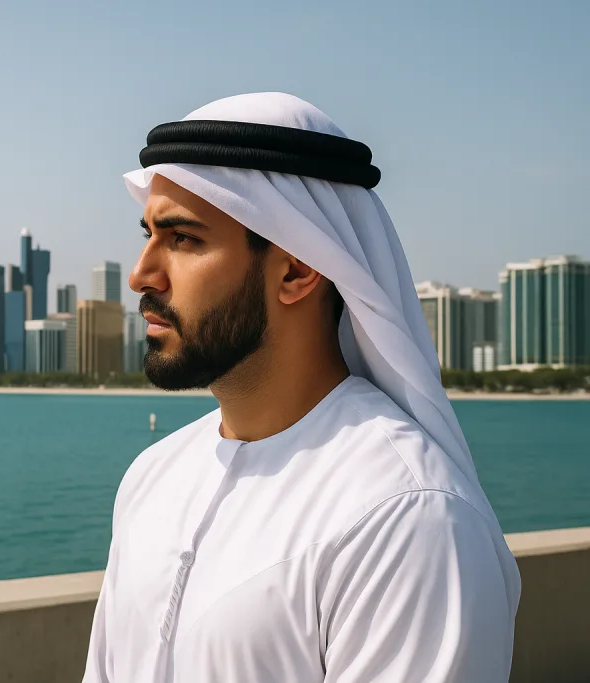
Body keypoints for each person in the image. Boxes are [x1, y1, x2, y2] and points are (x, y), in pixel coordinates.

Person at [82, 93, 521, 683]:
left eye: (183, 238)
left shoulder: (404, 516)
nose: (142, 274)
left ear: (296, 269)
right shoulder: (151, 477)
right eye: (148, 235)